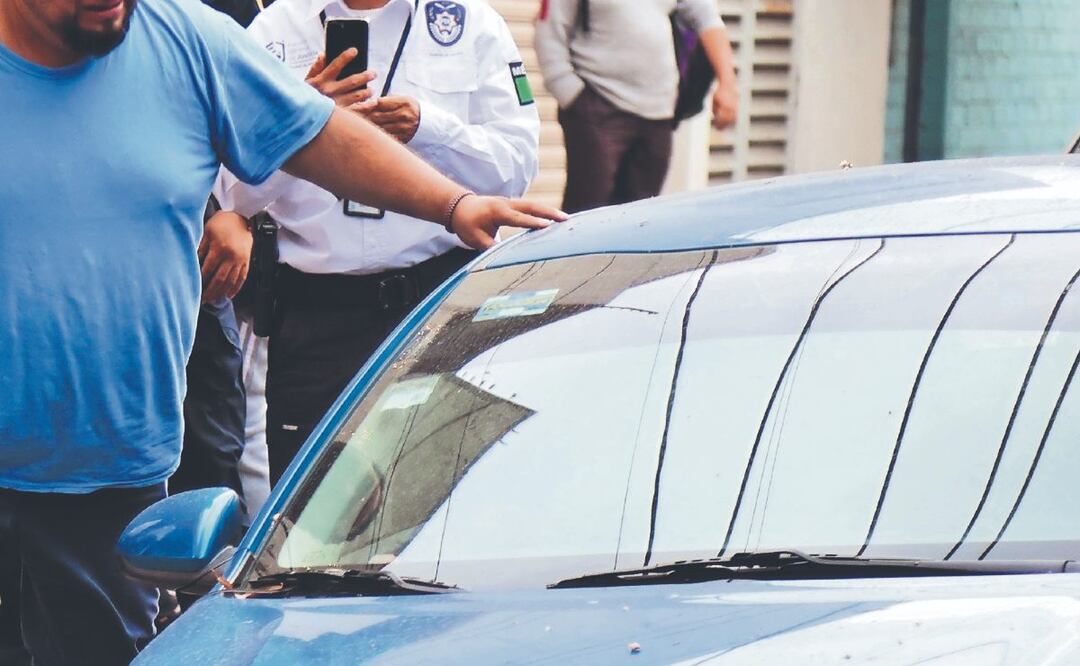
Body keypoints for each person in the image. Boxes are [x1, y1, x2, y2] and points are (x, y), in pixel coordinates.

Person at [0, 0, 563, 662]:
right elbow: (248, 189)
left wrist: (453, 203)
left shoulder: (187, 41)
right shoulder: (277, 29)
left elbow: (316, 135)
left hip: (103, 468)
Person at [215, 0, 541, 483]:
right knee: (310, 507)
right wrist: (296, 121)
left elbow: (516, 171)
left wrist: (428, 129)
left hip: (438, 304)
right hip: (315, 315)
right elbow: (229, 191)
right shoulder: (273, 29)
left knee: (434, 494)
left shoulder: (471, 23)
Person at [534, 0, 739, 213]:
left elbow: (707, 17)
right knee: (585, 216)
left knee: (639, 219)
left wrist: (728, 82)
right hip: (598, 110)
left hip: (659, 114)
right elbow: (549, 36)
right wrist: (574, 97)